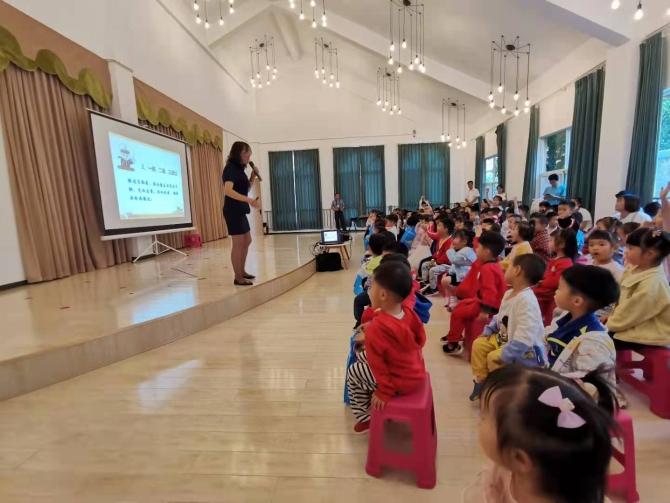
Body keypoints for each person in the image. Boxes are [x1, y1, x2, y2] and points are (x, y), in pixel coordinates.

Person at [476, 365, 617, 503]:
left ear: (519, 459)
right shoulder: (503, 471)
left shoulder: (507, 467)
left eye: (483, 416)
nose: (478, 421)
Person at [346, 261, 427, 433]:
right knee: (363, 357)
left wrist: (384, 391)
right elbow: (416, 337)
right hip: (414, 370)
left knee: (353, 371)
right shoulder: (408, 312)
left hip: (398, 381)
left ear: (382, 294)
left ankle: (365, 416)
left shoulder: (377, 329)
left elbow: (378, 366)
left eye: (371, 287)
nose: (369, 291)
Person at [469, 254, 547, 401]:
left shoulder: (527, 300)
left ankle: (502, 390)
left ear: (517, 270)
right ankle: (482, 380)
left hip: (525, 349)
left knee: (494, 358)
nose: (504, 269)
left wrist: (509, 353)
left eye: (509, 266)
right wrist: (489, 330)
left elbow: (526, 333)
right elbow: (500, 316)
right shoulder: (509, 293)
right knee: (479, 345)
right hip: (504, 339)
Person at [547, 265, 620, 385]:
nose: (556, 291)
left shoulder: (593, 343)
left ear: (577, 301)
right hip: (552, 376)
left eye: (560, 288)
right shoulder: (566, 317)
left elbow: (588, 385)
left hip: (565, 391)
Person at [442, 231, 507, 355]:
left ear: (486, 251)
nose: (475, 250)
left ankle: (453, 343)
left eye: (478, 247)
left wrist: (484, 312)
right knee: (460, 305)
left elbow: (490, 292)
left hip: (488, 306)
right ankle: (454, 334)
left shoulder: (488, 269)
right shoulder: (492, 263)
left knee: (457, 313)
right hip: (483, 300)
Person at [606, 228, 670, 348]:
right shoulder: (635, 270)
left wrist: (606, 326)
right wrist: (610, 318)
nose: (625, 252)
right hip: (628, 323)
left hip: (641, 337)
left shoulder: (651, 285)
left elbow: (629, 314)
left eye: (630, 248)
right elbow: (625, 307)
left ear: (650, 254)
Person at [222, 141, 261, 286]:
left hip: (240, 210)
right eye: (246, 154)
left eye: (249, 155)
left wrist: (252, 177)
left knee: (247, 240)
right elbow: (228, 191)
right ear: (238, 154)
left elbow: (246, 189)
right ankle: (238, 277)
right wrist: (249, 200)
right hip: (232, 210)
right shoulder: (230, 168)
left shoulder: (240, 170)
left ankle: (242, 271)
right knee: (238, 243)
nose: (248, 158)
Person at [533, 229, 577, 326]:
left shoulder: (565, 262)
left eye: (551, 240)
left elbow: (557, 281)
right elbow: (548, 275)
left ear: (562, 244)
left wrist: (541, 283)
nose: (548, 242)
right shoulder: (556, 259)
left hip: (552, 294)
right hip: (546, 289)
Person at [353, 233, 388, 328]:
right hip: (385, 290)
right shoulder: (384, 258)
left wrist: (366, 284)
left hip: (375, 291)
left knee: (358, 300)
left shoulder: (373, 263)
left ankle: (360, 321)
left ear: (369, 247)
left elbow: (370, 280)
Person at [442, 229, 477, 309]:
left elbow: (454, 259)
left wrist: (450, 250)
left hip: (463, 275)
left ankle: (454, 296)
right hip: (457, 273)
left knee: (445, 281)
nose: (453, 240)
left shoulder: (466, 251)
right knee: (445, 278)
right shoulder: (464, 250)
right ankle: (449, 296)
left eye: (456, 238)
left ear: (464, 241)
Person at [419, 217, 455, 295]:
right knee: (425, 265)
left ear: (445, 230)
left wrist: (437, 262)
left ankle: (433, 289)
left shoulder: (450, 241)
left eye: (439, 226)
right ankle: (425, 282)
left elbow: (446, 257)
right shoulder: (440, 238)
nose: (437, 227)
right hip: (438, 262)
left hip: (447, 264)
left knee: (433, 270)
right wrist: (433, 259)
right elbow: (437, 251)